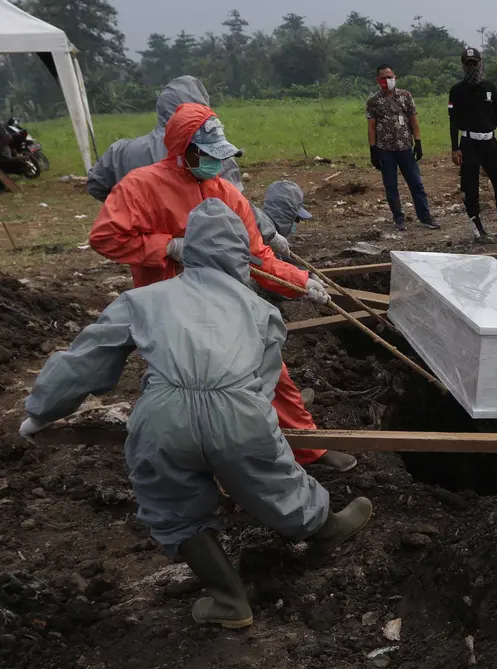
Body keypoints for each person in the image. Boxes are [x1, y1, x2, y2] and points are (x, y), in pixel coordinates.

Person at [21, 200, 373, 629]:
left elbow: (86, 359)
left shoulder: (142, 299)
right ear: (242, 254)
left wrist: (41, 411)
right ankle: (324, 528)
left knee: (171, 502)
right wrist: (237, 437)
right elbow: (263, 384)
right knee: (271, 476)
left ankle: (228, 600)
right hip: (239, 409)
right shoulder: (261, 311)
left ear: (189, 250)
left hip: (163, 414)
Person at [88, 102, 356, 473]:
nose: (215, 162)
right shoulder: (141, 187)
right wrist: (166, 246)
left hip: (229, 302)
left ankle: (308, 448)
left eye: (220, 155)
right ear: (186, 149)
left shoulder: (226, 194)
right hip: (172, 306)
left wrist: (301, 281)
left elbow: (255, 257)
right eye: (209, 154)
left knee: (272, 369)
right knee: (178, 388)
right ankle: (204, 470)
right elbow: (106, 236)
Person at [87, 76, 242, 202]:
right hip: (197, 236)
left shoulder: (120, 151)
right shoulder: (212, 152)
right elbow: (234, 201)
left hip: (137, 234)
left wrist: (123, 209)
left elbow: (96, 185)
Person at [449, 47, 497, 244]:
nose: (472, 66)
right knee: (471, 188)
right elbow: (453, 121)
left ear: (480, 63)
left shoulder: (490, 87)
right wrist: (455, 148)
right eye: (468, 63)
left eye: (475, 63)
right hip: (469, 143)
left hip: (489, 142)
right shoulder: (457, 90)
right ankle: (478, 230)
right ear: (463, 65)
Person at [366, 64, 440, 232]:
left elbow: (413, 120)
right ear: (378, 80)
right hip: (384, 149)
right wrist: (373, 150)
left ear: (395, 77)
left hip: (405, 147)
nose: (387, 80)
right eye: (383, 78)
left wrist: (418, 141)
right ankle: (398, 219)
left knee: (416, 183)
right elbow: (371, 127)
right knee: (391, 186)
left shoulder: (406, 96)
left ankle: (425, 216)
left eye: (389, 77)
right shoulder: (373, 101)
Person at [253, 180, 313, 261]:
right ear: (285, 216)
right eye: (296, 218)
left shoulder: (269, 235)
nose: (297, 222)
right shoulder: (261, 238)